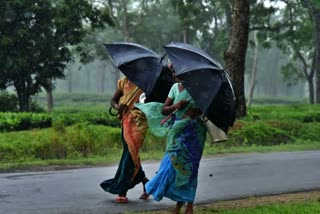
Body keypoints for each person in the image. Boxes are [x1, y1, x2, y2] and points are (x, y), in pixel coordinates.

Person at [135, 65, 207, 214]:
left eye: (176, 70)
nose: (174, 74)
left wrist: (195, 110)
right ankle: (174, 201)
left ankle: (189, 205)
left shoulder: (197, 89)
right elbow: (164, 109)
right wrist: (176, 105)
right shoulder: (174, 87)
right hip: (177, 133)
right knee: (170, 165)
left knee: (189, 168)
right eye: (173, 71)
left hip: (194, 134)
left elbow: (204, 109)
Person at [100, 76, 150, 203]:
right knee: (131, 155)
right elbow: (113, 100)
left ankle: (122, 191)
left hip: (139, 124)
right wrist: (118, 107)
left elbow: (149, 103)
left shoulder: (146, 83)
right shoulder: (123, 82)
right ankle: (146, 183)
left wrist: (143, 102)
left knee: (129, 155)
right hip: (126, 122)